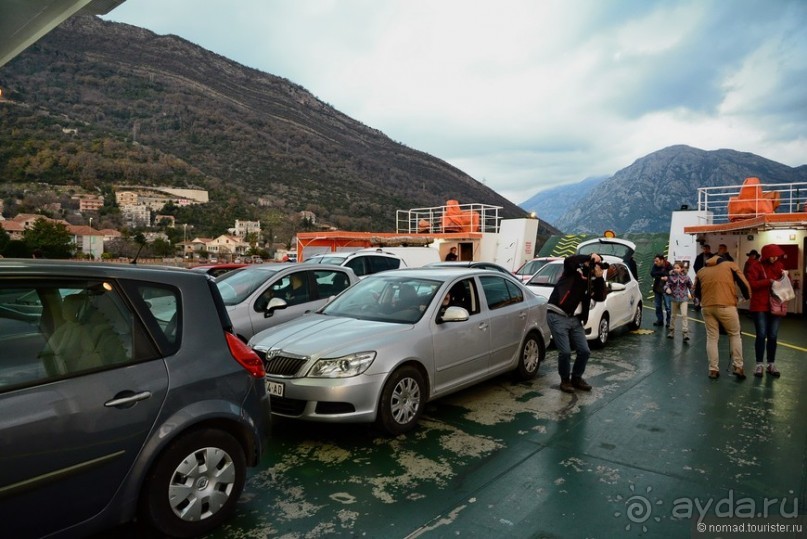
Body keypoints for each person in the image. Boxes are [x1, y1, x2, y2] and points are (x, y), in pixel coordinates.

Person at [545, 253, 607, 393]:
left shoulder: (590, 281)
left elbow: (600, 297)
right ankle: (565, 380)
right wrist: (589, 257)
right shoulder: (573, 271)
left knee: (584, 351)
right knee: (565, 352)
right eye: (594, 264)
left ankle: (576, 378)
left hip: (575, 319)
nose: (595, 267)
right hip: (557, 314)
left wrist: (599, 278)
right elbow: (569, 260)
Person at [695, 253, 750, 380]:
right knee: (735, 334)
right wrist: (746, 297)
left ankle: (713, 369)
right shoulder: (730, 266)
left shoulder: (702, 271)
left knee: (712, 337)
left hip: (707, 308)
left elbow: (697, 292)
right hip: (726, 306)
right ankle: (738, 367)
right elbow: (744, 284)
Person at [744, 244, 786, 378]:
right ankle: (759, 365)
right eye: (771, 256)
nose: (774, 258)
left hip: (775, 304)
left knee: (773, 335)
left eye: (776, 256)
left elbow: (785, 283)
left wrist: (786, 277)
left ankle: (771, 364)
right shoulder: (756, 266)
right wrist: (769, 281)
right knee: (761, 335)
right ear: (766, 255)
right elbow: (751, 284)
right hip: (759, 306)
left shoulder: (780, 266)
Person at [666, 262, 693, 341]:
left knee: (684, 315)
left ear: (681, 269)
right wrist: (667, 288)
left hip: (683, 299)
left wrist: (694, 296)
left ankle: (685, 333)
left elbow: (691, 287)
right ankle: (671, 331)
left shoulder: (686, 277)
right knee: (673, 315)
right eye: (674, 268)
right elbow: (666, 285)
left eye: (678, 268)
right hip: (674, 299)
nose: (676, 269)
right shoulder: (671, 277)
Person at [650, 254, 672, 327]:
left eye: (657, 261)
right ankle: (660, 320)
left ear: (662, 260)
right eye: (655, 261)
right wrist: (662, 274)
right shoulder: (656, 266)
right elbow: (652, 273)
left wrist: (666, 277)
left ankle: (668, 321)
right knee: (658, 306)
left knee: (668, 306)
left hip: (666, 289)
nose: (655, 263)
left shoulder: (668, 265)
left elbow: (672, 275)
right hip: (657, 288)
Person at [692, 244, 711, 311]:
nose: (705, 250)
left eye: (707, 249)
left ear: (709, 249)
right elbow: (695, 266)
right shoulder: (699, 257)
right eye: (704, 249)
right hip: (700, 276)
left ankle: (707, 306)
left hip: (709, 276)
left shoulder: (712, 256)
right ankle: (697, 306)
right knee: (697, 292)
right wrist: (698, 273)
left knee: (708, 291)